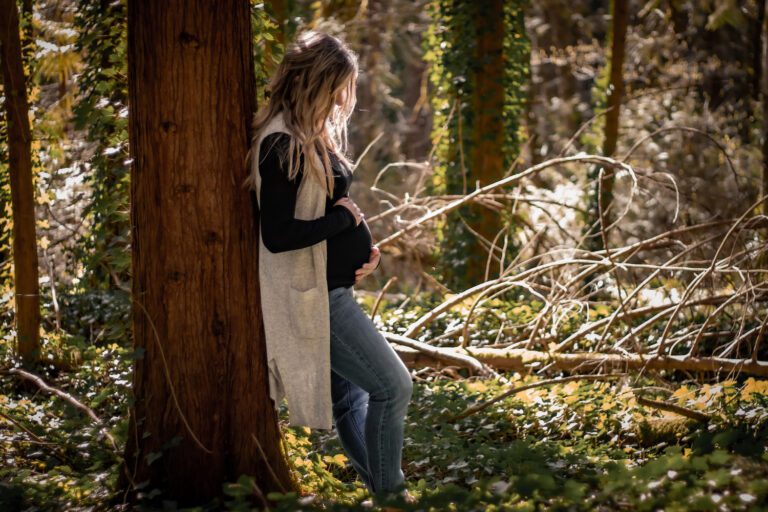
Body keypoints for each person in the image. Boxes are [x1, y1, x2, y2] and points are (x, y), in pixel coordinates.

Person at [243, 30, 414, 506]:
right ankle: (392, 495)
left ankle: (382, 493)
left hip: (333, 284)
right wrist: (343, 222)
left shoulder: (305, 133)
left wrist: (364, 249)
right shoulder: (280, 143)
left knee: (351, 401)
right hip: (316, 297)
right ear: (315, 82)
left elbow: (326, 209)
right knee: (394, 387)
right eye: (338, 86)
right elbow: (278, 236)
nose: (343, 99)